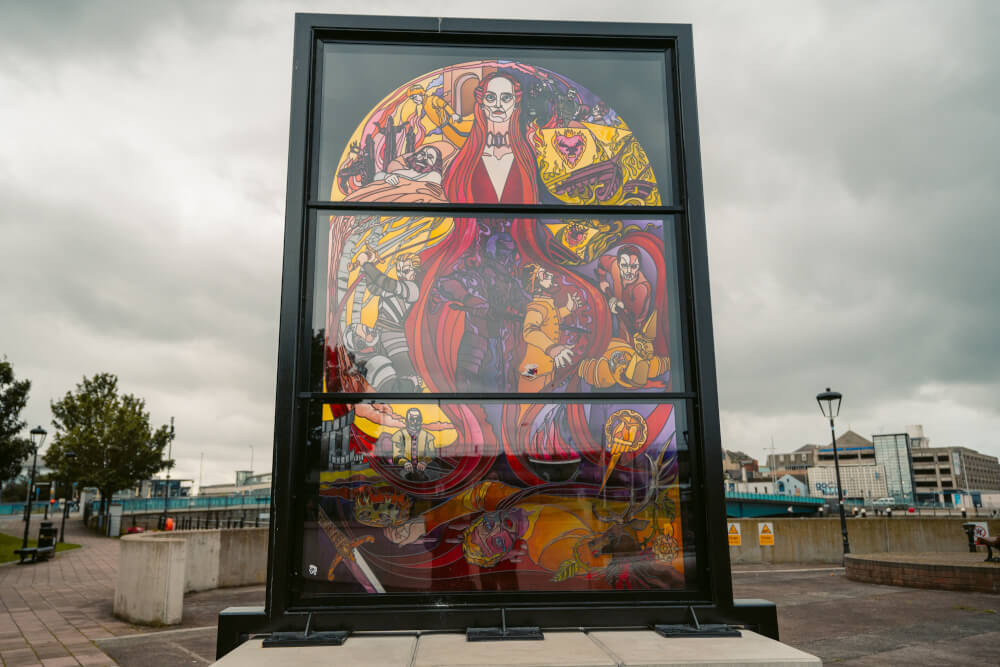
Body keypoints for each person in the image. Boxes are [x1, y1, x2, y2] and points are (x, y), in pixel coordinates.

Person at [444, 73, 539, 204]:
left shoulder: (526, 157)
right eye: (490, 98)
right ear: (481, 103)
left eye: (506, 98)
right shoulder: (465, 158)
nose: (498, 104)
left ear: (516, 103)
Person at [517, 264, 582, 393]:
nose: (551, 276)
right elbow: (529, 331)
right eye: (545, 275)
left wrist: (568, 309)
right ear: (537, 285)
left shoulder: (546, 305)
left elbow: (553, 316)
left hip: (545, 369)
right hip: (533, 371)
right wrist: (553, 348)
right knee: (529, 407)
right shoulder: (537, 307)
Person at [596, 245, 652, 342]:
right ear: (618, 263)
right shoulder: (614, 265)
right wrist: (602, 280)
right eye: (624, 266)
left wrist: (620, 308)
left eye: (634, 266)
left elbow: (632, 321)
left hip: (634, 332)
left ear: (639, 266)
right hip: (619, 322)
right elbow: (602, 261)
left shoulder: (641, 288)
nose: (628, 271)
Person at [391, 408, 436, 479]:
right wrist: (405, 463)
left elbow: (431, 454)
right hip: (403, 470)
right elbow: (396, 456)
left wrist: (424, 462)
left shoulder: (428, 436)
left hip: (424, 471)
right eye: (411, 419)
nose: (415, 422)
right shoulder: (398, 435)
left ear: (421, 420)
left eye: (417, 419)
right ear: (406, 421)